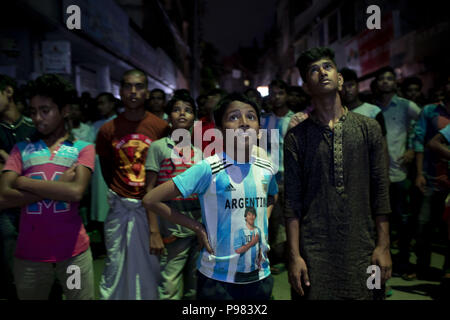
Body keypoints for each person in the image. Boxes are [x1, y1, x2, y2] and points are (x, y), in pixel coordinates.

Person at [143, 93, 278, 300]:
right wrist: (197, 227)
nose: (244, 123)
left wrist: (263, 221)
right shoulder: (209, 167)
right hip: (218, 280)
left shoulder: (266, 166)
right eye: (233, 117)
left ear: (259, 130)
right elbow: (151, 199)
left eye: (251, 117)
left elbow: (272, 196)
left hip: (260, 275)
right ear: (219, 131)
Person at [285, 47, 391, 300]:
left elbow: (381, 190)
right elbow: (292, 202)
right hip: (314, 251)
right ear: (306, 87)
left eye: (327, 66)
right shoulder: (296, 137)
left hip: (363, 247)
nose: (322, 72)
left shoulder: (369, 128)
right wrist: (294, 256)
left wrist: (383, 246)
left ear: (340, 79)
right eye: (313, 70)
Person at [0, 74, 95, 300]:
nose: (37, 118)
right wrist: (57, 185)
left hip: (72, 254)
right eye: (33, 112)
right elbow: (3, 197)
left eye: (45, 110)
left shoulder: (82, 148)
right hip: (30, 256)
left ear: (64, 110)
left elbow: (76, 192)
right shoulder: (20, 149)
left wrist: (22, 182)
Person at [96, 69, 170, 300]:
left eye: (139, 86)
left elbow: (165, 173)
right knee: (115, 266)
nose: (133, 92)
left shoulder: (160, 127)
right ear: (120, 91)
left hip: (150, 210)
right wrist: (124, 191)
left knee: (152, 268)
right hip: (120, 208)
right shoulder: (108, 130)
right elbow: (108, 170)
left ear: (147, 92)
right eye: (128, 86)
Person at [145, 92, 202, 300]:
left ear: (194, 118)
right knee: (168, 287)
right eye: (177, 109)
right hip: (171, 230)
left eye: (188, 110)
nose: (182, 114)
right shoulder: (158, 148)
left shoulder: (199, 153)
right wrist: (154, 232)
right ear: (168, 116)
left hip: (196, 230)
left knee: (194, 287)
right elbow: (149, 191)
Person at [373, 66, 421, 276]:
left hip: (400, 172)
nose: (385, 82)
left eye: (389, 78)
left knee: (403, 221)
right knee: (380, 222)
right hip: (376, 175)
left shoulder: (406, 106)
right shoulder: (372, 109)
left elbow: (422, 124)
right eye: (381, 78)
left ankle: (403, 263)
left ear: (395, 82)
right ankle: (380, 263)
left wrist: (412, 146)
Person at [408, 75, 450, 280]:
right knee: (424, 226)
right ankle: (421, 267)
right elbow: (419, 142)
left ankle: (446, 272)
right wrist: (419, 173)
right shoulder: (430, 111)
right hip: (431, 178)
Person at [0, 74, 37, 299]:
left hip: (37, 205)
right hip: (6, 209)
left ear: (8, 92)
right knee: (11, 266)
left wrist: (6, 159)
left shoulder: (33, 127)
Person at [260, 79, 295, 274]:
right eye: (272, 93)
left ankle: (292, 257)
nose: (276, 97)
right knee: (271, 220)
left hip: (290, 177)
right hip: (269, 177)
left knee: (291, 218)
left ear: (287, 95)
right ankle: (274, 257)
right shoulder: (264, 120)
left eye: (280, 93)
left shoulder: (296, 119)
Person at [90, 92, 118, 257]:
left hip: (113, 167)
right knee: (101, 208)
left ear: (112, 104)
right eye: (98, 104)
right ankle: (105, 244)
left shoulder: (118, 123)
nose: (101, 107)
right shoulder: (96, 125)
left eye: (103, 103)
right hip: (99, 169)